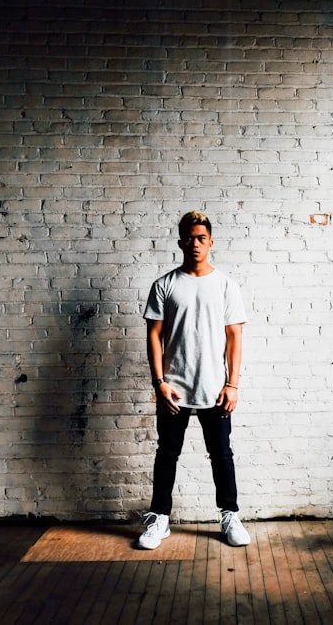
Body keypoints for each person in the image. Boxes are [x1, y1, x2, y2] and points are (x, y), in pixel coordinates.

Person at [137, 210, 250, 550]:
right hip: (174, 388)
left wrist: (232, 385)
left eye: (201, 238)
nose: (195, 243)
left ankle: (229, 515)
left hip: (214, 389)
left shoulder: (226, 285)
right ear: (180, 242)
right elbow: (153, 337)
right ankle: (160, 519)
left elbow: (234, 338)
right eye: (189, 237)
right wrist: (159, 382)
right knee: (166, 454)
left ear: (210, 242)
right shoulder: (165, 285)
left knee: (221, 455)